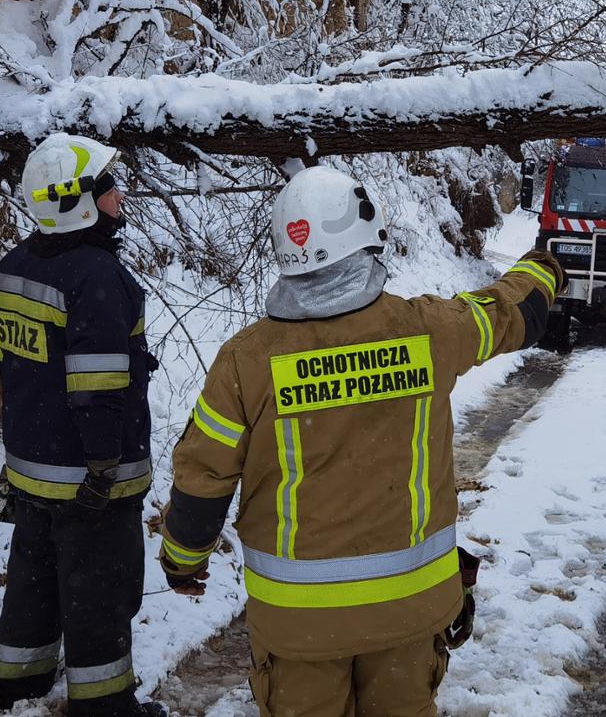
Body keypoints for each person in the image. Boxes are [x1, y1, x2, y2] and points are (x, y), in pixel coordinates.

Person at [155, 165, 565, 716]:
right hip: (409, 614)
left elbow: (203, 479)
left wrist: (183, 561)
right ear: (368, 235)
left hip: (300, 627)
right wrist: (543, 267)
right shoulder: (428, 331)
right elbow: (514, 313)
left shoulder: (246, 362)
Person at [0, 133, 166, 717]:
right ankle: (105, 706)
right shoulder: (97, 277)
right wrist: (104, 466)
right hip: (90, 482)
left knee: (33, 583)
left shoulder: (13, 267)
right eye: (108, 187)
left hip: (31, 471)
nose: (119, 197)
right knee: (99, 596)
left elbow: (4, 364)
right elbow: (99, 385)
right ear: (78, 202)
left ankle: (18, 684)